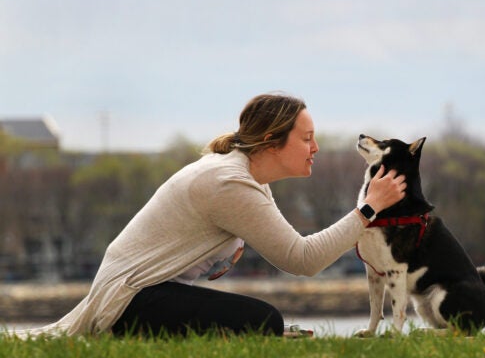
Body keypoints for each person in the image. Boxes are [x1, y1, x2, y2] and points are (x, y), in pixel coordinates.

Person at [22, 93, 406, 337]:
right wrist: (369, 208)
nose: (316, 147)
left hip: (138, 293)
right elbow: (302, 259)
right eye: (306, 139)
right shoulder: (231, 182)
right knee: (266, 321)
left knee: (260, 322)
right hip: (130, 300)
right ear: (272, 142)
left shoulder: (244, 177)